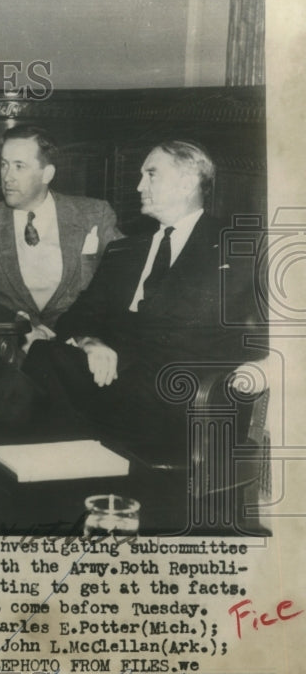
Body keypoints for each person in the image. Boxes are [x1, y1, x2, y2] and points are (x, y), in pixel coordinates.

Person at [22, 140, 261, 462]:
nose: (138, 186)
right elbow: (77, 316)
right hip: (118, 383)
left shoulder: (235, 248)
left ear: (187, 183)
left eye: (151, 175)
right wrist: (91, 342)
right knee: (41, 355)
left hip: (181, 398)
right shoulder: (124, 251)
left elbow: (255, 340)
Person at [0, 125, 121, 346]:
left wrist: (88, 337)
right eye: (4, 164)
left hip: (81, 345)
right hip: (16, 347)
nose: (7, 177)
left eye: (19, 166)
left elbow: (123, 280)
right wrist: (19, 325)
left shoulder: (94, 215)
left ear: (47, 174)